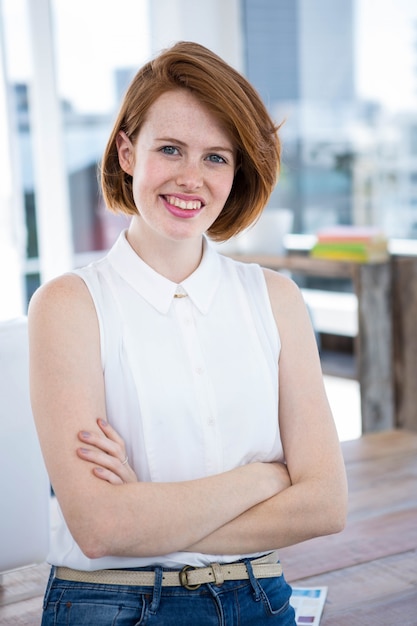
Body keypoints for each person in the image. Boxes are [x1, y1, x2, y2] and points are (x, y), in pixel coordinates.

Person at [28, 41, 348, 626]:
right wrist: (265, 478)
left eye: (216, 158)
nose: (190, 178)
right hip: (113, 602)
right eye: (170, 149)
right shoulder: (69, 306)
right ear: (127, 151)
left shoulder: (276, 300)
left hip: (258, 595)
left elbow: (325, 504)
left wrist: (147, 514)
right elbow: (102, 529)